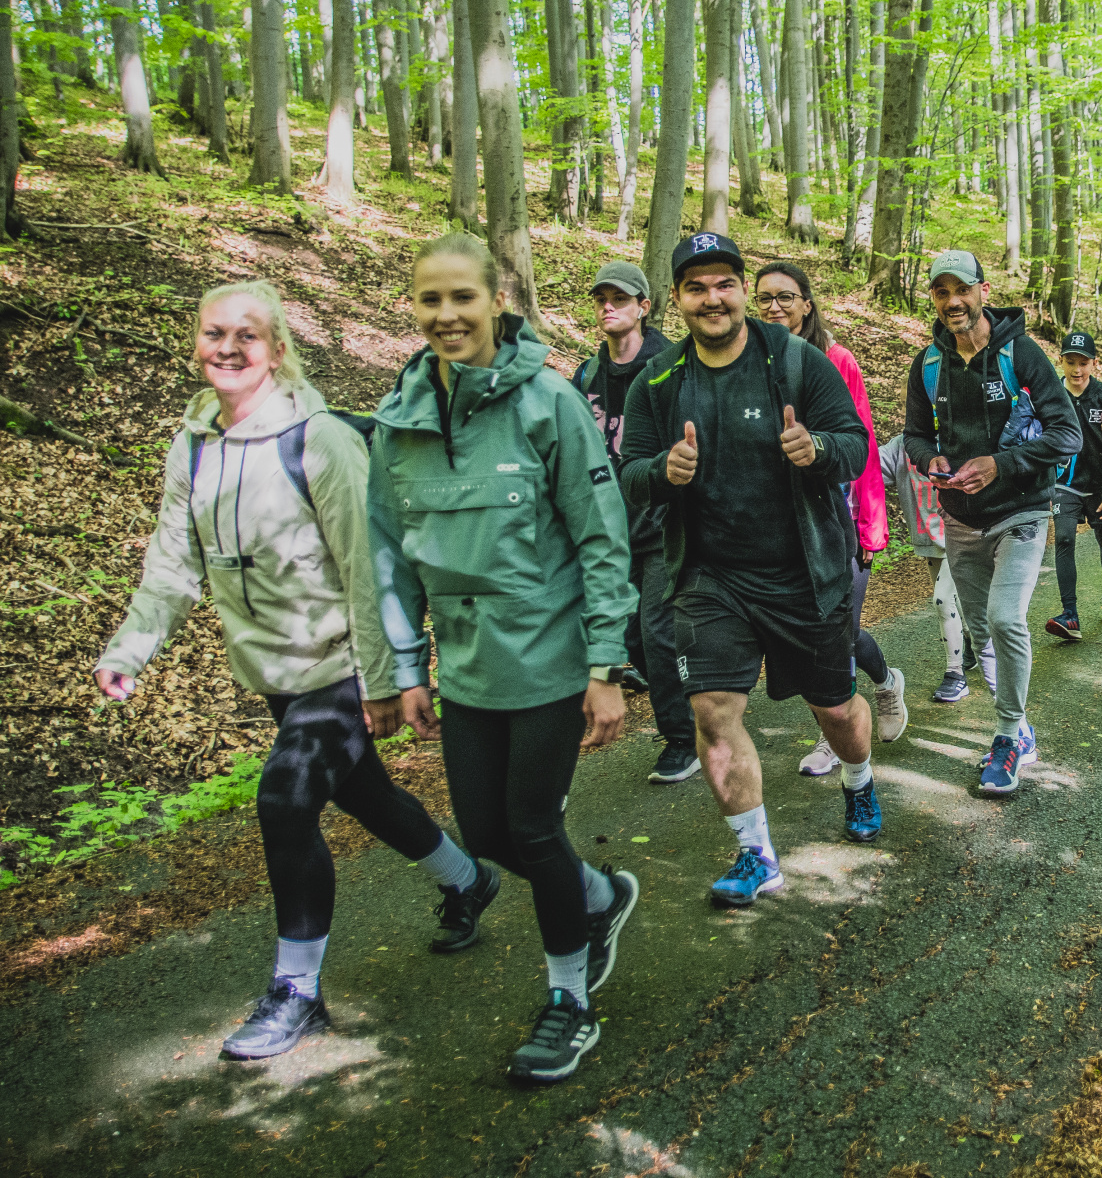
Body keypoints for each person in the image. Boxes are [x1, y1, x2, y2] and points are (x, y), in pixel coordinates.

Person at [95, 281, 482, 1063]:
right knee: (364, 794)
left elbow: (369, 569)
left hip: (338, 661)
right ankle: (468, 879)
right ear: (197, 343)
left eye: (246, 334)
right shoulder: (194, 441)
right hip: (274, 670)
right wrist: (130, 648)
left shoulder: (319, 440)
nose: (228, 348)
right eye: (214, 333)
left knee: (285, 801)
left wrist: (386, 677)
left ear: (276, 347)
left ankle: (297, 991)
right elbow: (172, 564)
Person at [369, 234, 640, 1084]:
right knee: (484, 833)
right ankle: (597, 895)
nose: (447, 316)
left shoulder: (548, 401)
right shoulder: (400, 418)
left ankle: (570, 1001)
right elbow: (387, 551)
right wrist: (405, 667)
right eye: (430, 301)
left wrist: (605, 666)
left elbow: (601, 538)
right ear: (414, 308)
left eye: (463, 298)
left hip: (552, 658)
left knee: (530, 825)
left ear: (497, 301)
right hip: (467, 665)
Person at [618, 233, 876, 908]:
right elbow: (631, 473)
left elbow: (855, 447)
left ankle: (859, 778)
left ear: (740, 289)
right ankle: (756, 852)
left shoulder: (797, 363)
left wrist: (815, 448)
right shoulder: (659, 382)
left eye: (724, 283)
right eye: (696, 286)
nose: (713, 297)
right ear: (675, 299)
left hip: (804, 573)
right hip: (710, 578)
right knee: (713, 711)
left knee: (838, 711)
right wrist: (663, 472)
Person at [902, 250, 1082, 797]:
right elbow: (914, 432)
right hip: (959, 519)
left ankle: (1006, 737)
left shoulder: (1020, 355)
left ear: (982, 291)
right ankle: (1021, 727)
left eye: (962, 289)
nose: (953, 301)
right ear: (933, 298)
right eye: (941, 292)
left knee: (1007, 620)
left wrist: (1000, 465)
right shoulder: (928, 363)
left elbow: (1066, 434)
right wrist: (928, 459)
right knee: (982, 633)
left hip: (1021, 510)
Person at [752, 261, 912, 776]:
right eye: (765, 298)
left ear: (807, 304)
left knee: (837, 631)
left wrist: (871, 526)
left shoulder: (835, 360)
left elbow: (861, 445)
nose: (774, 307)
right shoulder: (750, 363)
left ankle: (852, 715)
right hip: (781, 531)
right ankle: (875, 690)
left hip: (837, 522)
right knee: (811, 636)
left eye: (785, 296)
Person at [571, 261, 700, 787]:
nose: (608, 307)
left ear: (644, 306)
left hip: (660, 526)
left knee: (656, 632)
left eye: (619, 298)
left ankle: (682, 740)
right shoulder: (585, 375)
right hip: (605, 530)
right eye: (601, 298)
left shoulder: (668, 366)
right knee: (630, 642)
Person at [879, 431, 989, 699]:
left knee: (942, 600)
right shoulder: (903, 445)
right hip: (929, 537)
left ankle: (955, 673)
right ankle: (968, 647)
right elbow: (870, 469)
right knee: (953, 599)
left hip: (964, 533)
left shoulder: (959, 433)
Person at [1040, 330, 1102, 641]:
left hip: (1100, 485)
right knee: (1063, 539)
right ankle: (1070, 614)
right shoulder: (1051, 395)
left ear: (1094, 363)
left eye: (1084, 363)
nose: (1077, 370)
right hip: (1065, 485)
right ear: (1061, 361)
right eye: (1070, 362)